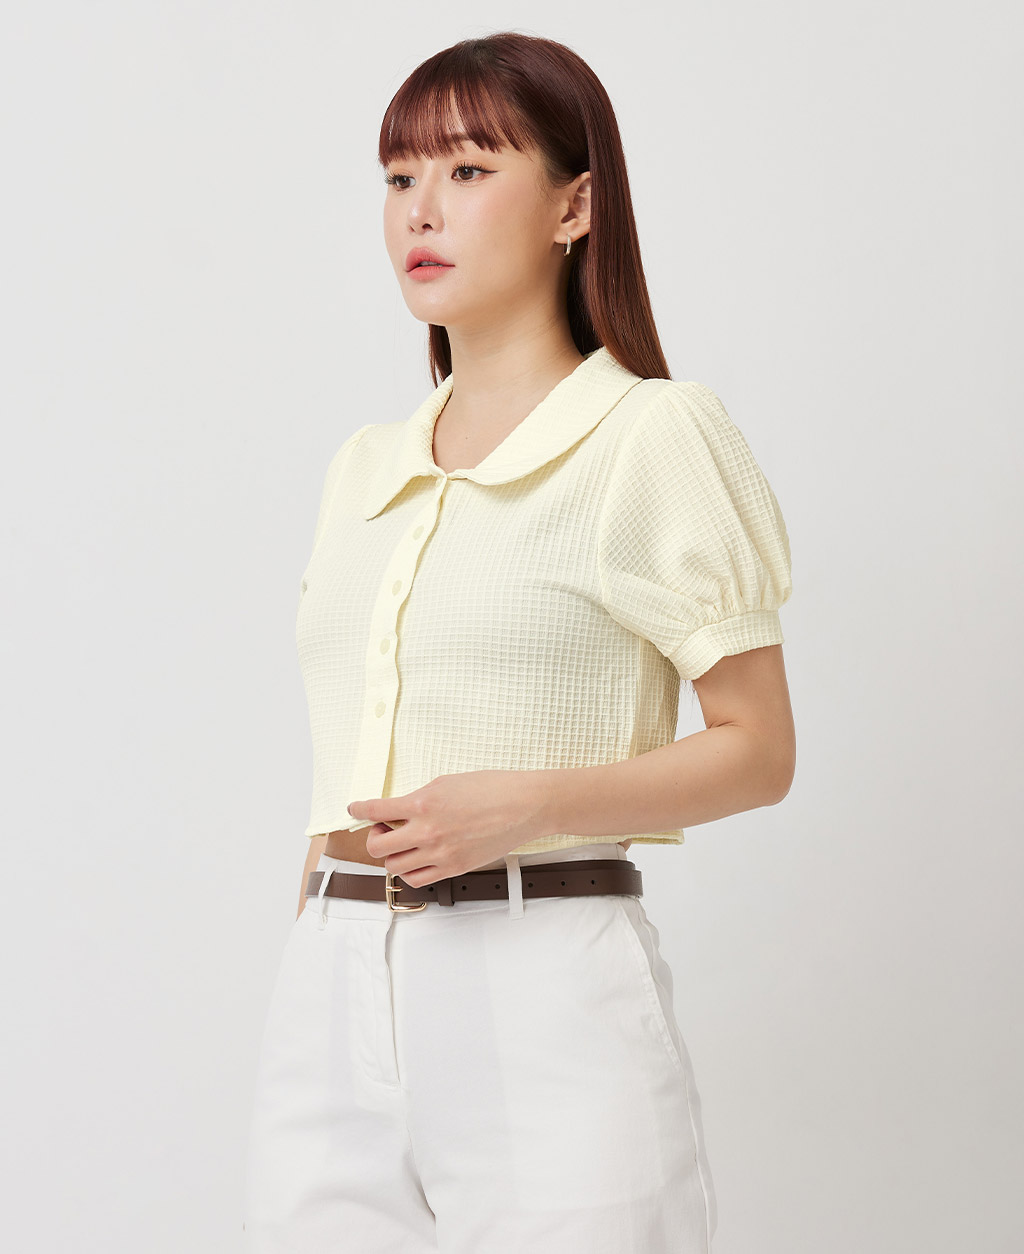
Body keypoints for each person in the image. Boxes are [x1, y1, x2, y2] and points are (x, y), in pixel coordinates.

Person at [241, 29, 795, 1254]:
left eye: (469, 170)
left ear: (573, 206)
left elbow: (759, 751)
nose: (420, 210)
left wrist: (528, 803)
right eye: (399, 177)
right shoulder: (364, 467)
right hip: (329, 989)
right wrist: (317, 962)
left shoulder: (651, 435)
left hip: (541, 976)